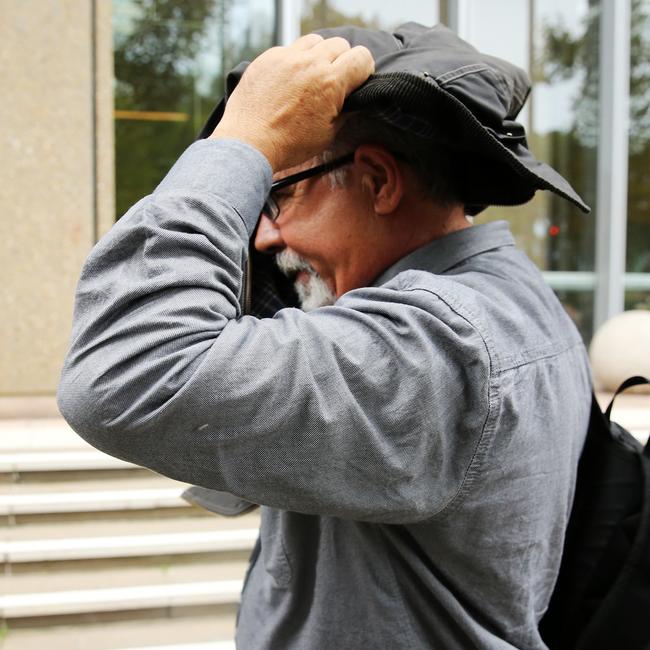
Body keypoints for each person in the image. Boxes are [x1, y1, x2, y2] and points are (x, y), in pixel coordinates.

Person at [58, 24, 593, 649]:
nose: (262, 236)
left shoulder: (432, 347)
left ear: (378, 182)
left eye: (279, 194)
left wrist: (245, 138)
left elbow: (124, 374)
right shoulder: (504, 299)